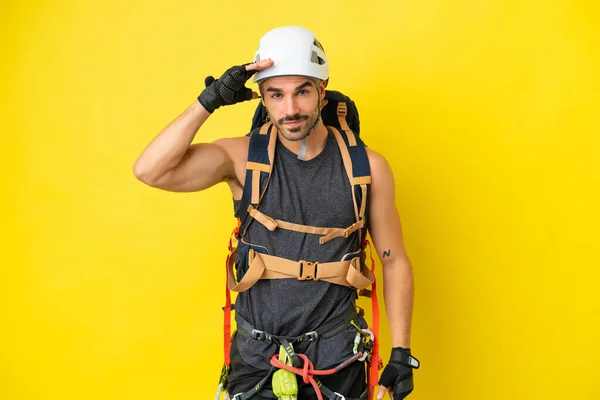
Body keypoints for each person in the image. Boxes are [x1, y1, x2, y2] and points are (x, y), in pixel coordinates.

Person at [133, 26, 419, 400]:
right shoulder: (242, 158)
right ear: (262, 98)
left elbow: (393, 259)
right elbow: (150, 171)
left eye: (302, 91)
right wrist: (210, 100)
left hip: (337, 361)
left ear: (322, 88)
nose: (291, 110)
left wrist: (401, 352)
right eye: (276, 95)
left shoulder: (367, 167)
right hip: (256, 361)